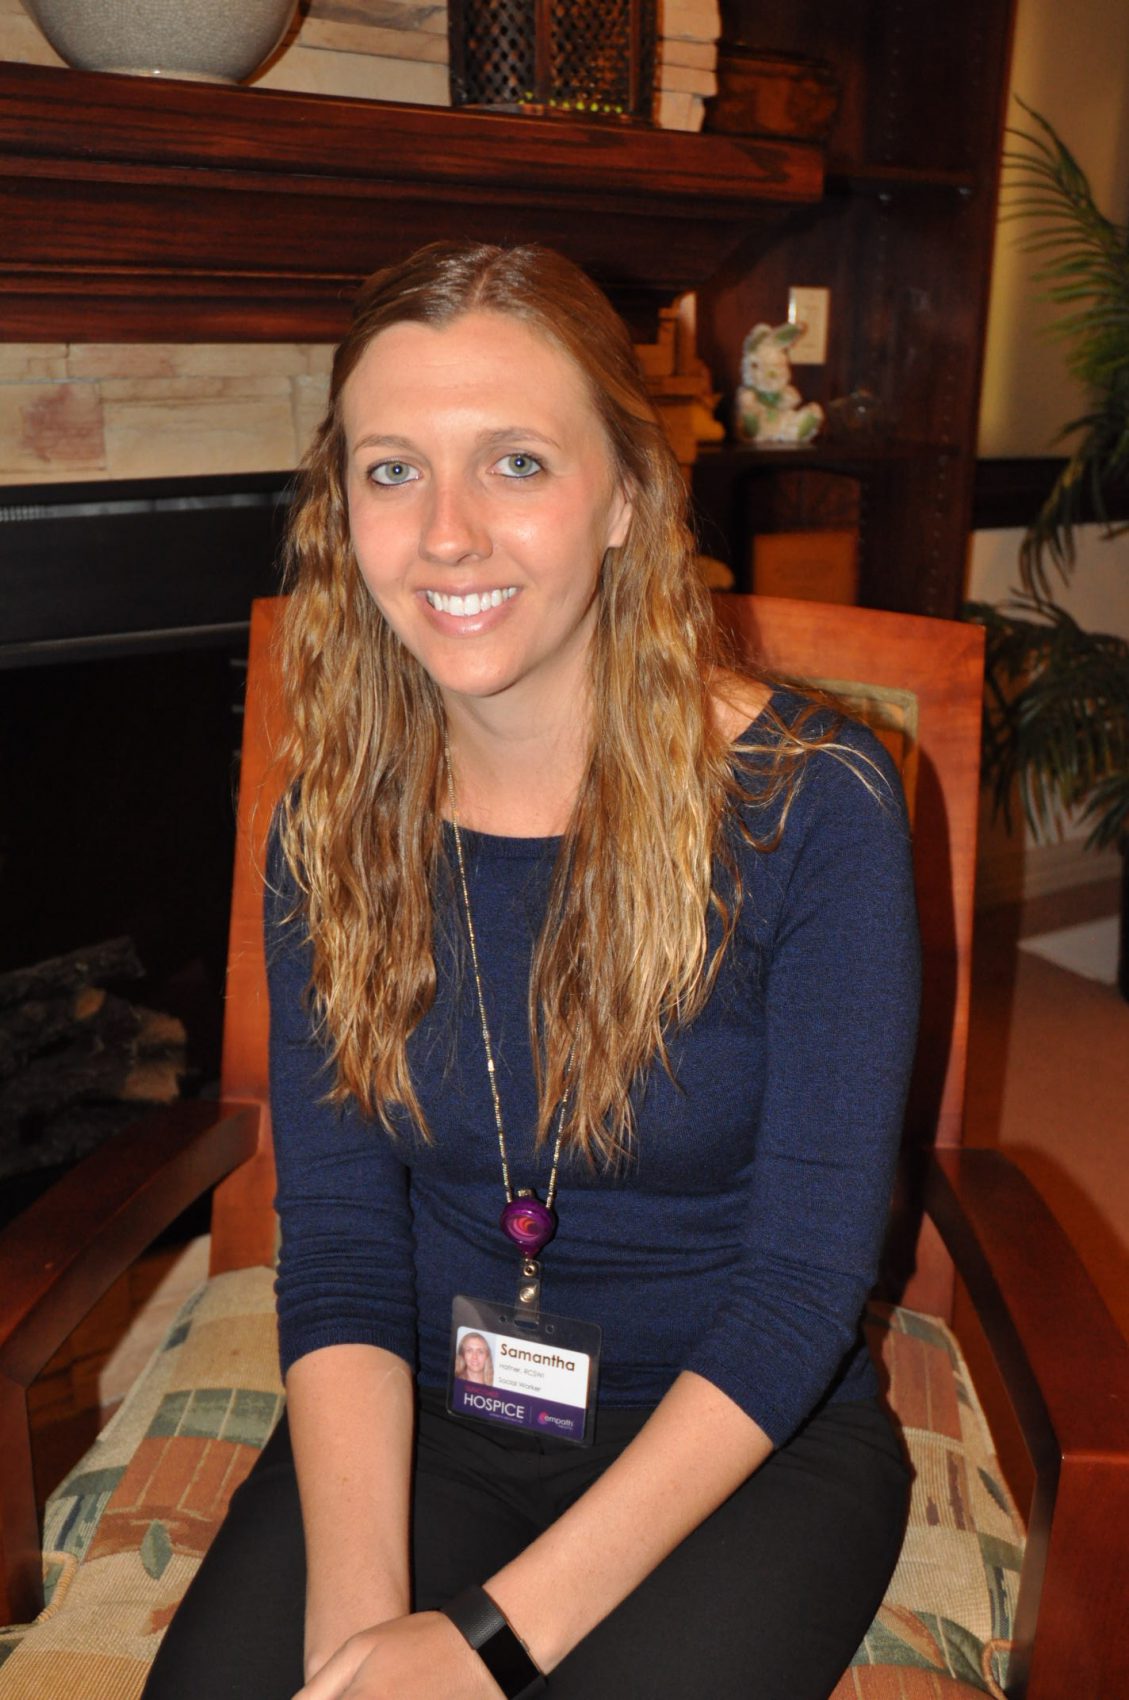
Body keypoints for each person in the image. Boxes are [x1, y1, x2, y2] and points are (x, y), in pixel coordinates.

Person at [141, 240, 919, 1700]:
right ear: (342, 510)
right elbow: (346, 1247)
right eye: (391, 471)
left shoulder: (812, 807)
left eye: (514, 463)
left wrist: (484, 1647)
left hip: (735, 1445)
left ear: (627, 495)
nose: (445, 536)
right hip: (431, 1420)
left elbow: (802, 1290)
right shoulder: (330, 827)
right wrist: (357, 1635)